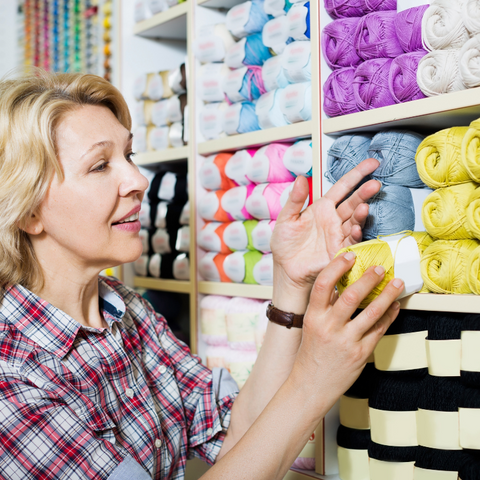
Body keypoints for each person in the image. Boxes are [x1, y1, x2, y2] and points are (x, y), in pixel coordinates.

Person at [0, 70, 403, 480]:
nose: (139, 180)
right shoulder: (10, 376)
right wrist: (313, 382)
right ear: (28, 209)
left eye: (129, 155)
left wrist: (291, 281)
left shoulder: (126, 311)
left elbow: (236, 435)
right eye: (101, 165)